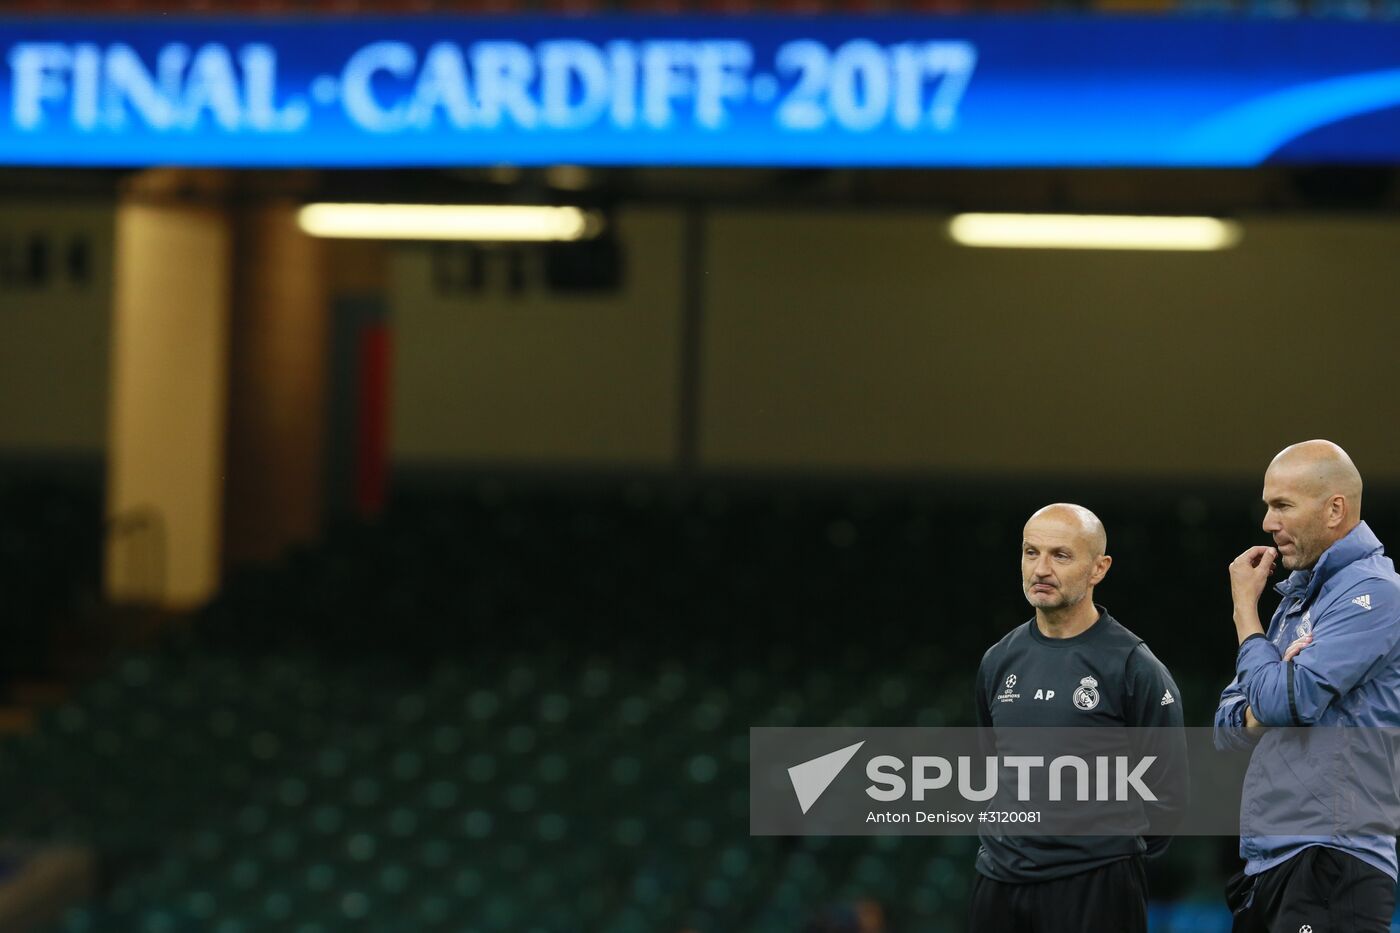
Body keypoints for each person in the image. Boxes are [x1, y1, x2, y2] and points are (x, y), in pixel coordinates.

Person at [970, 503, 1187, 933]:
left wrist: (1102, 852)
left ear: (1098, 568)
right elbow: (987, 771)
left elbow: (1168, 800)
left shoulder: (1133, 666)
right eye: (1031, 552)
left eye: (1061, 555)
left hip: (1097, 887)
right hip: (999, 882)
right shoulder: (998, 660)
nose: (1041, 568)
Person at [1214, 439, 1400, 932]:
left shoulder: (1375, 592)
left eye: (1281, 506)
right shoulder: (1300, 600)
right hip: (1270, 861)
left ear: (1334, 508)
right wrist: (1265, 704)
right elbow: (1227, 725)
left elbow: (1283, 700)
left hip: (1334, 859)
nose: (1267, 523)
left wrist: (1244, 613)